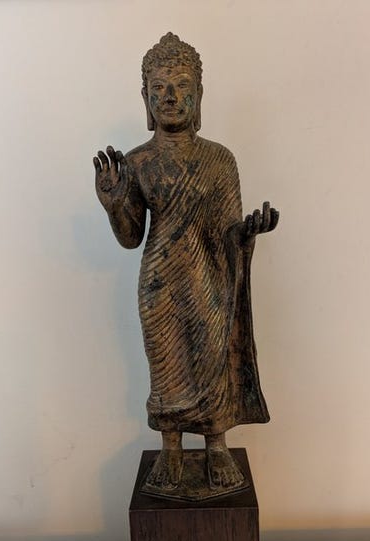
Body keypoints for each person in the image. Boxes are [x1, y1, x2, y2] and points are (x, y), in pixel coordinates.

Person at [94, 33, 278, 494]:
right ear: (145, 98)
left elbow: (227, 230)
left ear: (199, 94)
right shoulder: (137, 162)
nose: (170, 96)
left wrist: (246, 234)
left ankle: (216, 444)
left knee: (212, 357)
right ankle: (170, 447)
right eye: (158, 87)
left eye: (180, 85)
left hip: (207, 279)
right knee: (166, 363)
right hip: (158, 285)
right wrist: (114, 204)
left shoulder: (219, 160)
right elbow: (130, 238)